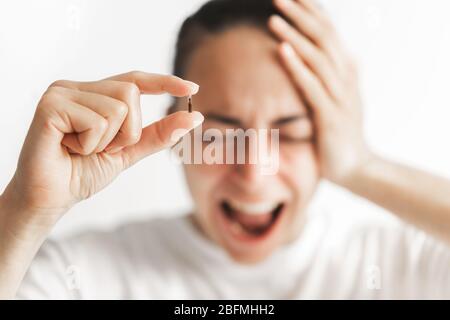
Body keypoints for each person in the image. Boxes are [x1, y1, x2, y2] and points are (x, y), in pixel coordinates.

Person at [0, 0, 449, 299]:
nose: (253, 173)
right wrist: (25, 211)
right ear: (174, 131)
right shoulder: (80, 276)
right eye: (221, 132)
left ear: (331, 139)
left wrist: (361, 166)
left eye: (288, 132)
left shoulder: (401, 266)